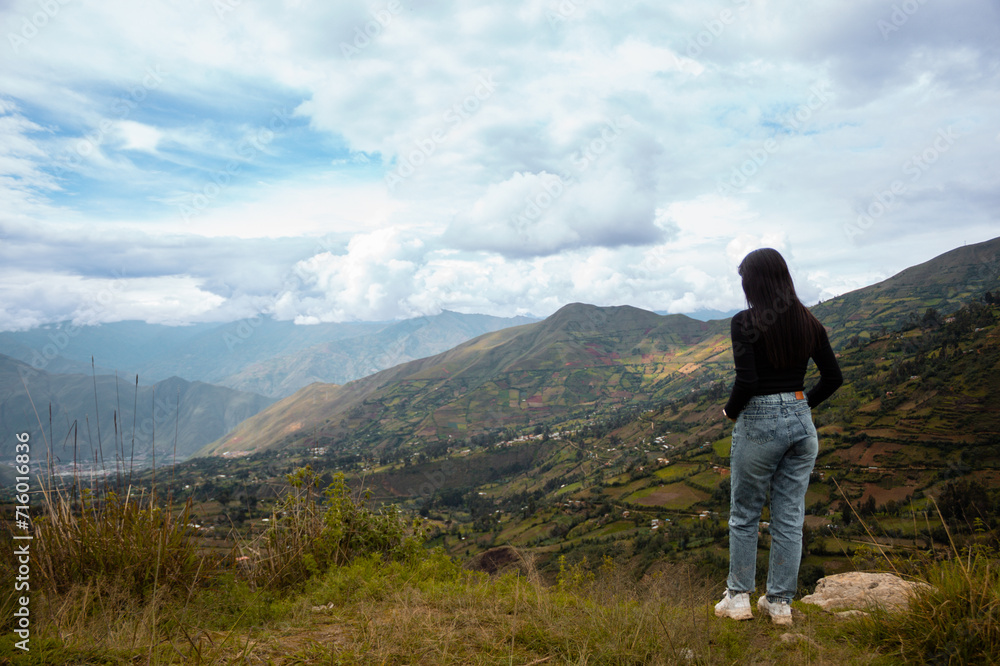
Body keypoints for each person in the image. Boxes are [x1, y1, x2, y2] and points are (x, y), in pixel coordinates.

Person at [714, 248, 842, 626]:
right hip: (802, 426)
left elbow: (748, 381)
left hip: (760, 421)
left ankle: (738, 598)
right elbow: (833, 378)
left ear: (753, 282)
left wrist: (730, 411)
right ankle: (780, 604)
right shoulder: (810, 323)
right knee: (789, 517)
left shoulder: (745, 322)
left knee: (745, 514)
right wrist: (801, 406)